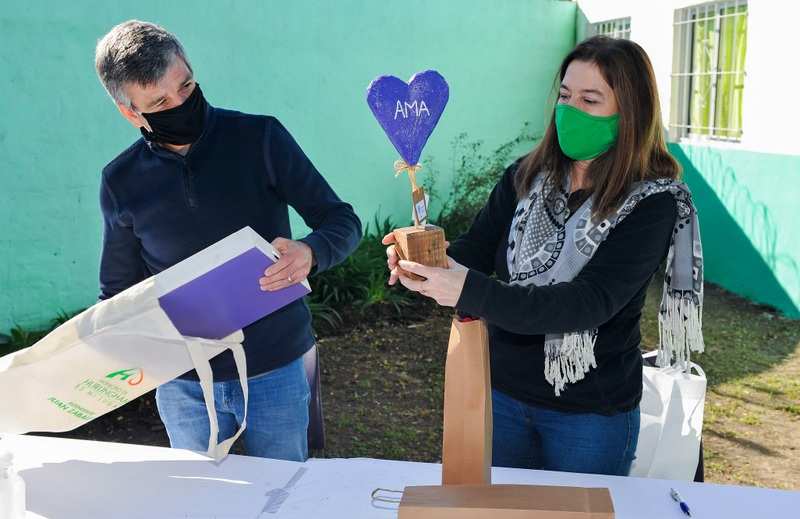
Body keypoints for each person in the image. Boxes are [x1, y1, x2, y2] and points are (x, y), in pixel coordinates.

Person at [384, 36, 704, 475]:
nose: (571, 110)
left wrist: (468, 289)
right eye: (566, 96)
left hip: (590, 415)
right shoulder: (525, 176)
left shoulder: (651, 202)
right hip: (501, 395)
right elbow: (475, 250)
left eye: (590, 100)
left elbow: (588, 303)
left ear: (630, 114)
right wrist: (425, 260)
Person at [94, 20, 362, 461]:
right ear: (131, 113)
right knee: (203, 503)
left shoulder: (260, 138)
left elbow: (340, 220)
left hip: (275, 369)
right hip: (185, 385)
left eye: (186, 85)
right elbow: (119, 291)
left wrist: (312, 251)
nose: (181, 103)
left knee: (282, 498)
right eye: (160, 101)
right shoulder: (120, 180)